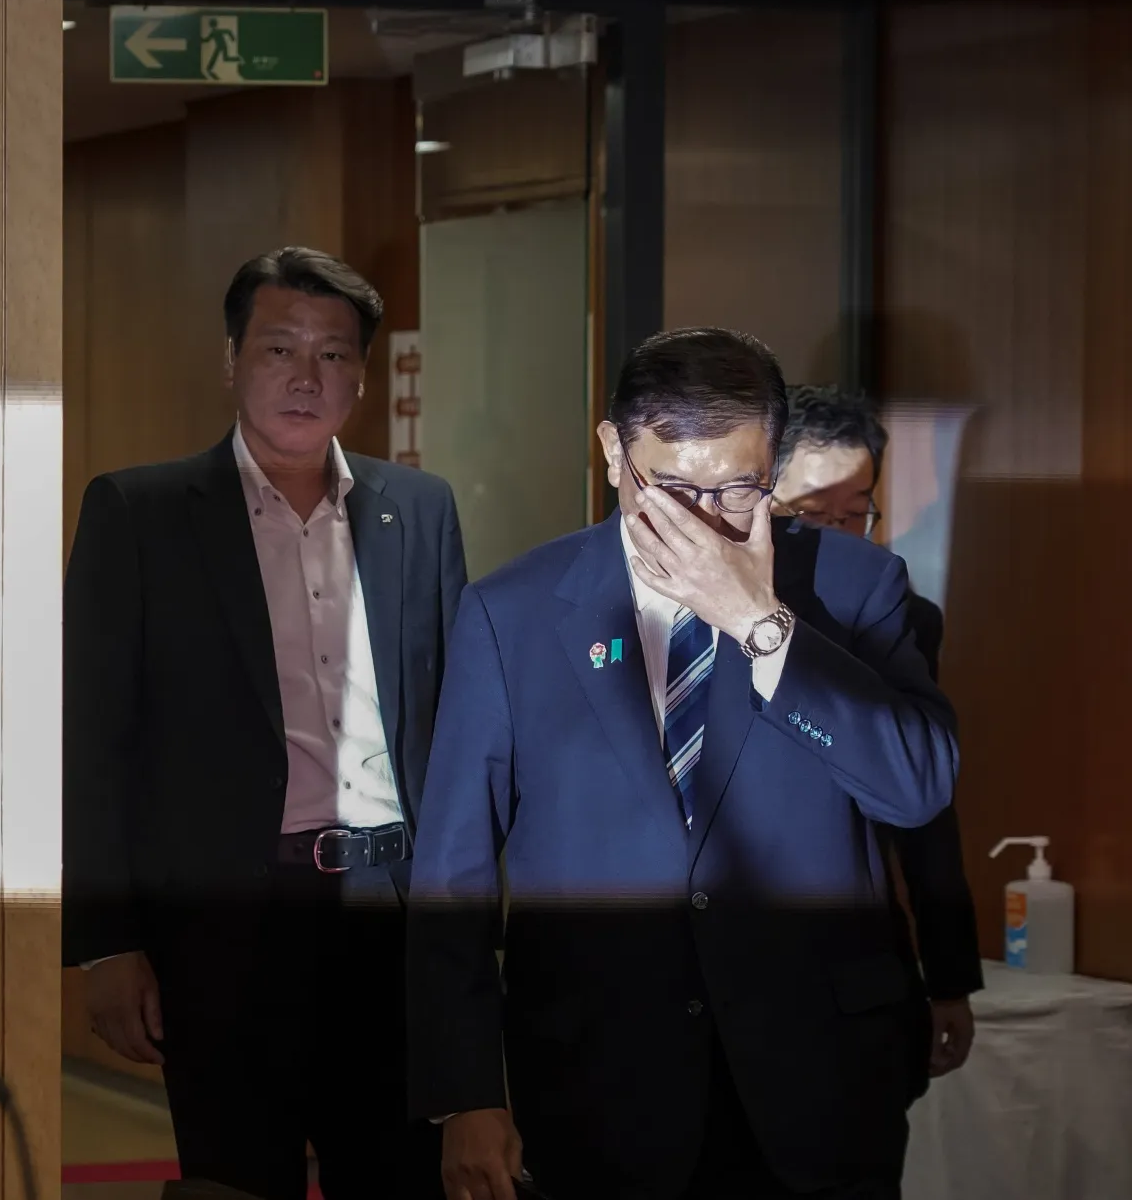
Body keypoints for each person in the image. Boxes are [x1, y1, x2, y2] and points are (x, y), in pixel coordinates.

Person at [408, 328, 958, 1200]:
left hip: (818, 1081)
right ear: (612, 452)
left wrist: (762, 624)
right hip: (598, 1081)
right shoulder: (509, 614)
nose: (703, 517)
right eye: (669, 487)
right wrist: (466, 1091)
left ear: (774, 463)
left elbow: (917, 784)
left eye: (737, 487)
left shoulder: (856, 588)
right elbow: (452, 875)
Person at [65, 247, 468, 1200]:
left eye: (332, 355)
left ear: (361, 378)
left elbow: (453, 716)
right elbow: (90, 740)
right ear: (232, 360)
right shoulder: (142, 511)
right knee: (237, 1179)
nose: (304, 375)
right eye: (279, 347)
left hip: (389, 909)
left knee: (400, 1173)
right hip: (226, 926)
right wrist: (105, 938)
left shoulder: (420, 508)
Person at [773, 385, 982, 1084]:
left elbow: (927, 810)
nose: (836, 535)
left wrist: (949, 974)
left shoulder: (904, 617)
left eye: (855, 513)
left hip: (855, 965)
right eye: (811, 514)